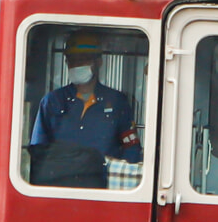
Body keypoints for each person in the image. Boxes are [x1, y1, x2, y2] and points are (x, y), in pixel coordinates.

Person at [29, 31, 141, 187]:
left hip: (103, 189)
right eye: (72, 60)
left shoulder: (117, 102)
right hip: (58, 188)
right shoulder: (52, 102)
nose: (77, 65)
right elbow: (37, 152)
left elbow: (132, 151)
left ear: (98, 62)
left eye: (83, 59)